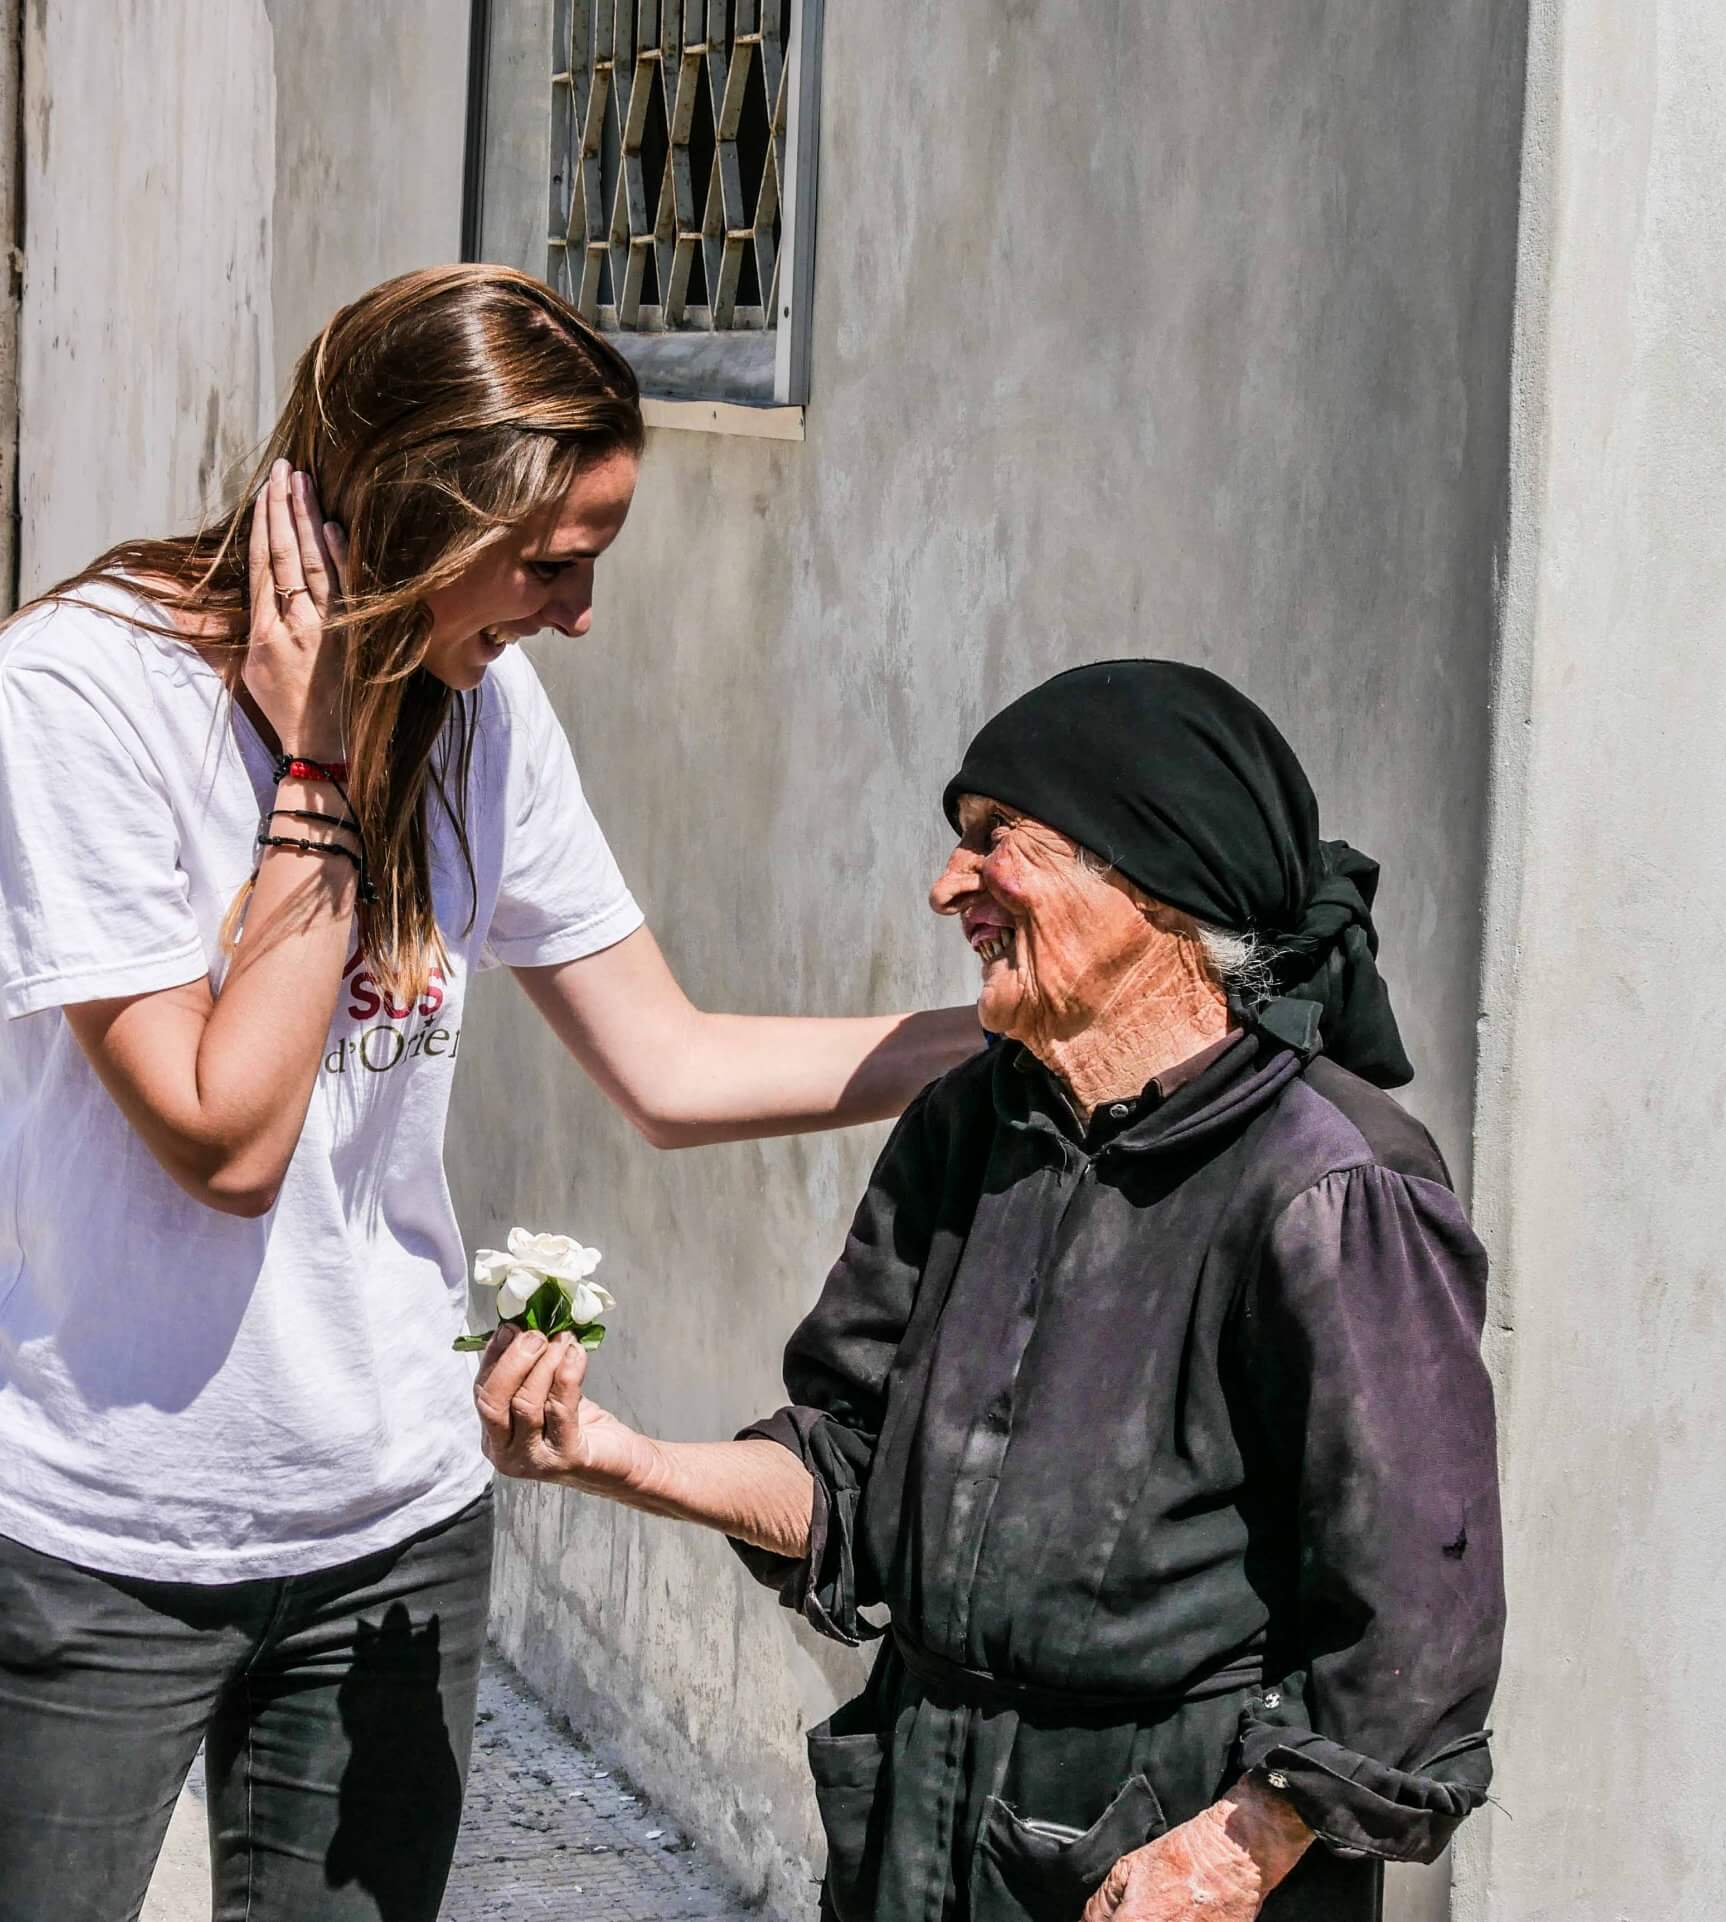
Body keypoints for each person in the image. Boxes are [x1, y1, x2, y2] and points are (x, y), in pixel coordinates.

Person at [0, 263, 983, 1922]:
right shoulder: (75, 697)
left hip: (391, 1535)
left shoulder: (481, 715)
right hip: (91, 1539)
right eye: (551, 563)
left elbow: (669, 1063)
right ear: (412, 506)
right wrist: (320, 767)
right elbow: (226, 1134)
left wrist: (1015, 1028)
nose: (578, 613)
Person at [477, 659, 1505, 1922]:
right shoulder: (970, 1124)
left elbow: (1419, 1612)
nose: (945, 884)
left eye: (992, 841)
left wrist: (1236, 1847)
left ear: (1148, 878)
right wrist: (615, 1457)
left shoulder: (1331, 1185)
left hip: (1166, 1856)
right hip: (923, 1833)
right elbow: (850, 1475)